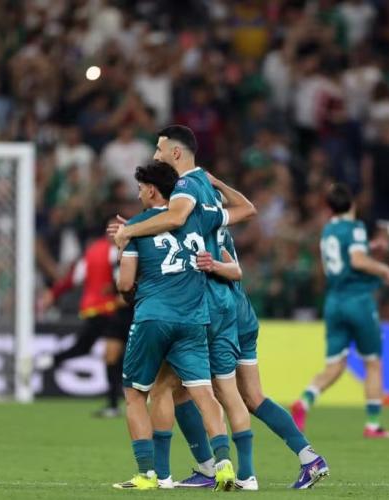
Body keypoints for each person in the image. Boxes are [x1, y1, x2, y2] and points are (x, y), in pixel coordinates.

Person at [111, 125, 258, 489]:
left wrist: (127, 235)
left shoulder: (147, 222)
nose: (156, 154)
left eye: (159, 149)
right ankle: (224, 465)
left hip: (154, 316)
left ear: (151, 190)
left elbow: (125, 283)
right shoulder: (201, 219)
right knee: (205, 393)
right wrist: (218, 184)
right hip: (196, 317)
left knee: (145, 392)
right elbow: (245, 213)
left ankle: (153, 474)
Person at [172, 223, 330, 490]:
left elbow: (224, 267)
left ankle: (220, 471)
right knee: (253, 397)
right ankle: (309, 457)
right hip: (243, 314)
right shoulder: (217, 223)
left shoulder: (195, 225)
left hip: (221, 316)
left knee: (188, 390)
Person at [290, 184, 389, 439]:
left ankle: (304, 401)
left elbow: (348, 253)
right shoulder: (355, 227)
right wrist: (383, 269)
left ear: (330, 208)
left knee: (335, 366)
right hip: (358, 301)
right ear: (353, 204)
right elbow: (357, 260)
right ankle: (373, 425)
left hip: (334, 302)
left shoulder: (328, 230)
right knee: (373, 363)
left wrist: (371, 247)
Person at [36, 222, 131, 417]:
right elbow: (75, 278)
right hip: (114, 311)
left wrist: (53, 294)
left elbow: (73, 278)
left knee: (101, 351)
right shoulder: (112, 252)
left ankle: (52, 359)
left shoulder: (97, 252)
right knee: (111, 354)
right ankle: (114, 404)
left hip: (121, 309)